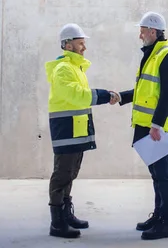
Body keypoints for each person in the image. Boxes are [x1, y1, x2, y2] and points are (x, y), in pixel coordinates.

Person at [44, 23, 118, 238]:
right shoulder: (63, 69)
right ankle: (57, 223)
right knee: (62, 175)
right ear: (68, 44)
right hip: (66, 130)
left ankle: (66, 214)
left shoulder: (76, 68)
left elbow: (79, 97)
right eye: (80, 44)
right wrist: (105, 95)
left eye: (84, 44)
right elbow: (78, 95)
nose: (84, 48)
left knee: (71, 173)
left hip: (75, 130)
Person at [113, 11, 168, 240]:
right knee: (156, 174)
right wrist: (120, 97)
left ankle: (167, 223)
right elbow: (145, 91)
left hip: (157, 127)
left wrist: (157, 125)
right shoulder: (152, 55)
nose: (140, 35)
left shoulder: (166, 55)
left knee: (163, 174)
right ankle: (159, 215)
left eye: (142, 31)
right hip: (147, 124)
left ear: (153, 31)